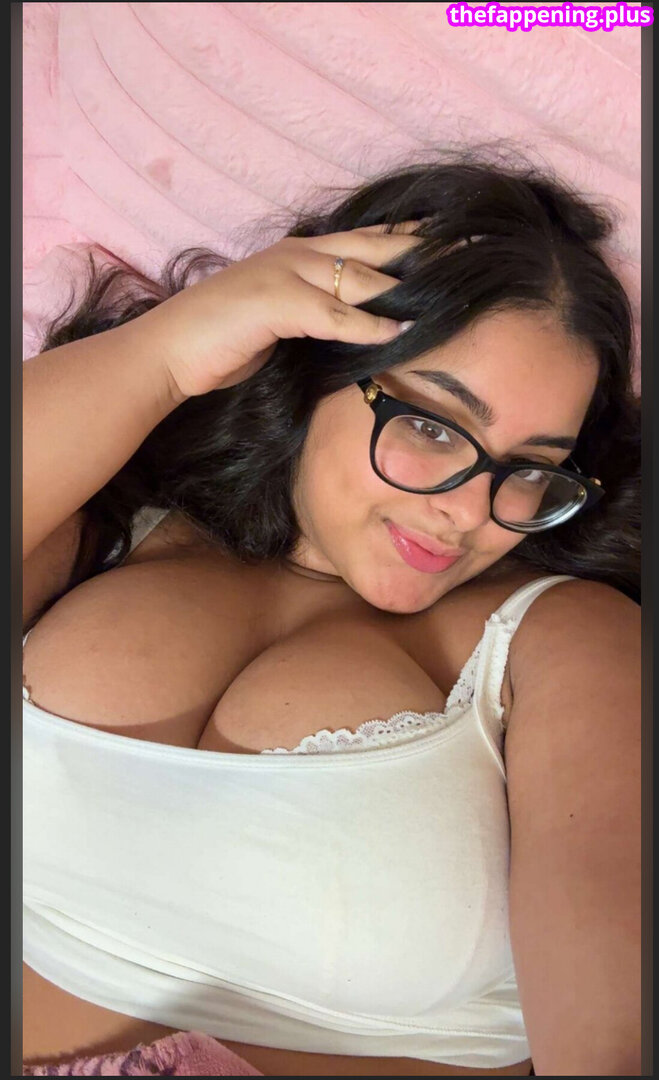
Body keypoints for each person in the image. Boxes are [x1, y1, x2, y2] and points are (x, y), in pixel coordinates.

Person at [22, 155, 641, 1077]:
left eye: (529, 470)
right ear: (310, 362)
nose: (468, 512)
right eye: (431, 425)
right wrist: (167, 351)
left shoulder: (563, 640)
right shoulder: (99, 523)